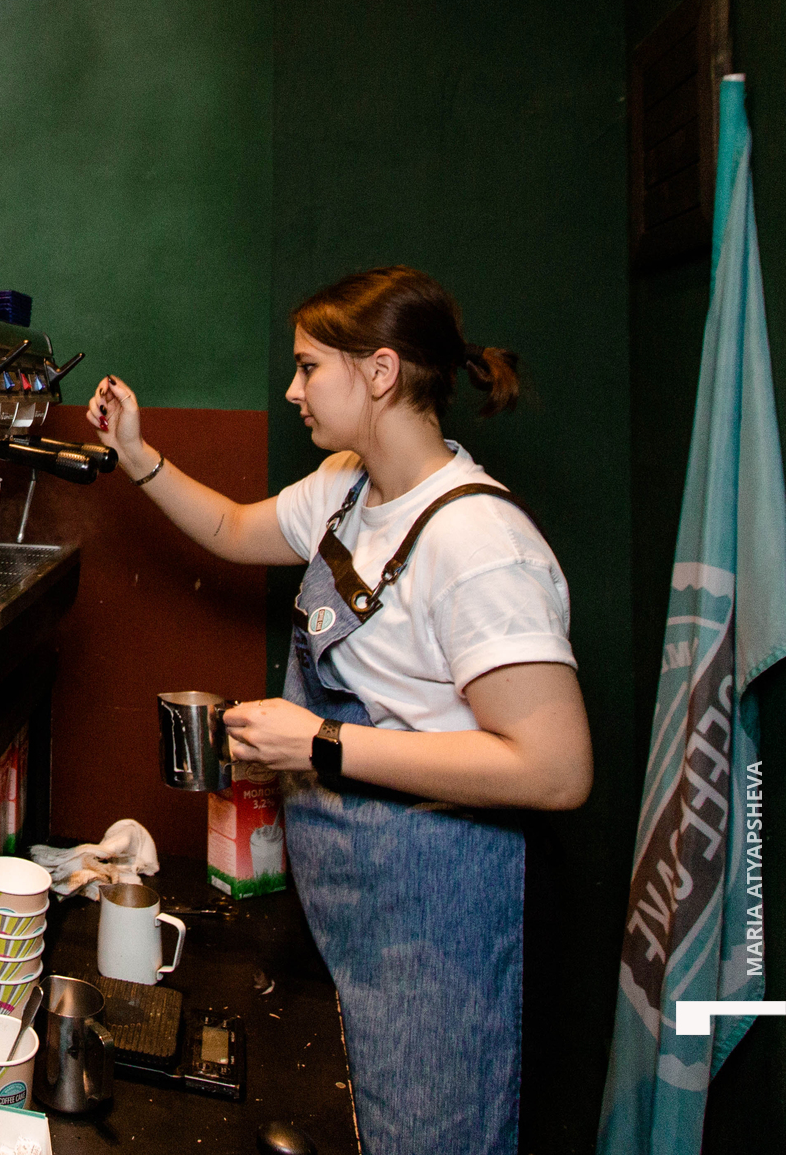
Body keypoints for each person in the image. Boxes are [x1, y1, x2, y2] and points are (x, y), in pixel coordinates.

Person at [89, 266, 591, 1155]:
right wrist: (137, 456)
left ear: (380, 372)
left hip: (441, 920)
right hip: (355, 905)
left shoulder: (480, 544)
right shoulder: (347, 489)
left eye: (308, 367)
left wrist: (319, 742)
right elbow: (232, 530)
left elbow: (554, 770)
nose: (293, 391)